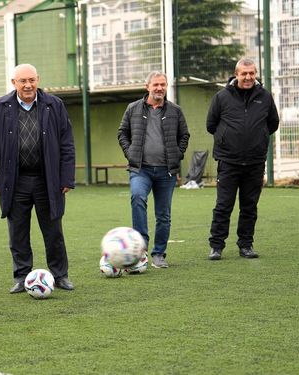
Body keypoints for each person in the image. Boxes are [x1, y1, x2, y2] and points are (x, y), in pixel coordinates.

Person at [0, 64, 76, 293]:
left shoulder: (54, 105)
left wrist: (66, 178)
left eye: (31, 80)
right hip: (15, 180)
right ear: (13, 82)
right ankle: (22, 276)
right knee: (18, 232)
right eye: (22, 81)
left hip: (48, 179)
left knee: (53, 231)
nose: (28, 85)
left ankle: (60, 275)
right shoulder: (0, 107)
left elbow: (67, 143)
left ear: (38, 79)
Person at [206, 58, 279, 260]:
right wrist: (228, 139)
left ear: (256, 74)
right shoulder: (221, 97)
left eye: (251, 73)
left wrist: (258, 138)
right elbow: (211, 125)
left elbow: (273, 123)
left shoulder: (265, 97)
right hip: (228, 161)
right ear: (236, 74)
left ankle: (246, 245)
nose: (248, 77)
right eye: (244, 73)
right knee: (223, 205)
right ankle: (216, 246)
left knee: (249, 206)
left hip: (255, 162)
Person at [117, 71, 190, 269]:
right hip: (141, 169)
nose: (159, 88)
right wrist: (130, 152)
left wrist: (177, 155)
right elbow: (122, 132)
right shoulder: (133, 108)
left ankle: (159, 254)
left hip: (166, 171)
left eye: (163, 84)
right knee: (138, 197)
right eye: (156, 84)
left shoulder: (175, 110)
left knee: (163, 214)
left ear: (166, 87)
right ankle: (140, 249)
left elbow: (184, 135)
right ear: (147, 86)